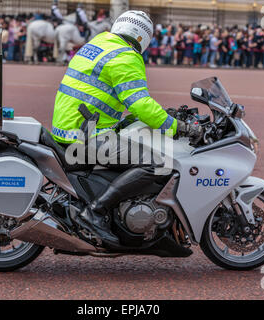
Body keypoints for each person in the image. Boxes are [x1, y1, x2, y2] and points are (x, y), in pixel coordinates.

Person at [51, 11, 202, 247]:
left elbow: (113, 101)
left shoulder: (99, 43)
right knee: (157, 164)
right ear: (144, 37)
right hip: (85, 135)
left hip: (73, 127)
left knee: (136, 133)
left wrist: (148, 117)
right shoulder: (126, 56)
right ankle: (95, 212)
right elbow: (140, 103)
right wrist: (177, 127)